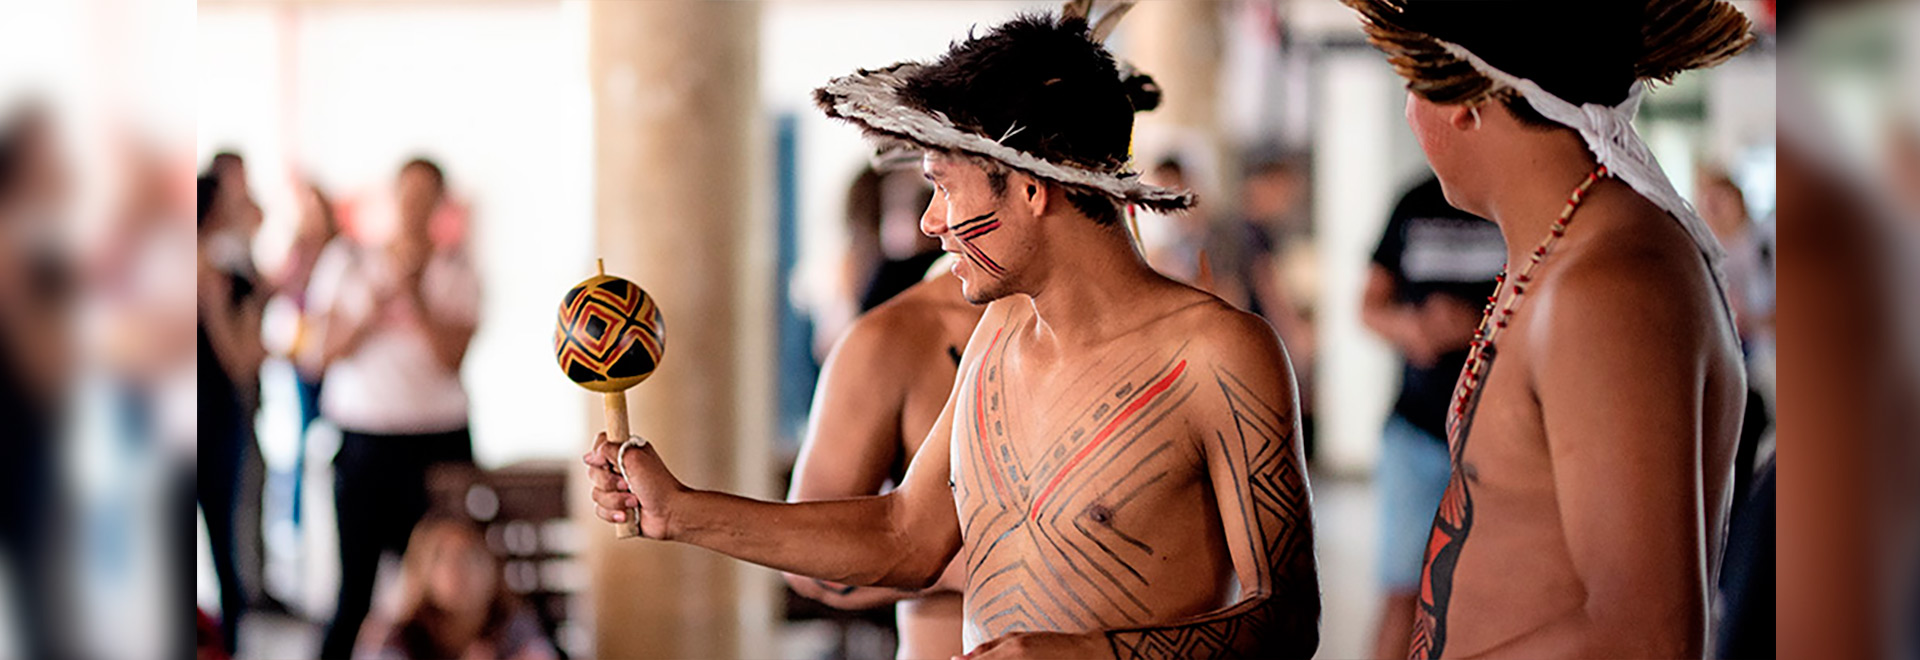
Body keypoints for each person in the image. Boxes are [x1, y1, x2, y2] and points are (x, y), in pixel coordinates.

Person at [585, 10, 1319, 657]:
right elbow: (905, 534)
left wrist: (1089, 655)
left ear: (1031, 188)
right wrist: (678, 510)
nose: (932, 222)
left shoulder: (1217, 354)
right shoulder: (999, 333)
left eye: (943, 184)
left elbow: (1288, 620)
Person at [1345, 0, 1754, 656]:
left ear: (1464, 98)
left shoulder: (1610, 287)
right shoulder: (1567, 257)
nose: (1407, 110)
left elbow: (1644, 635)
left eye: (1410, 85)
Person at [311, 158, 482, 659]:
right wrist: (372, 304)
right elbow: (321, 353)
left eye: (426, 196)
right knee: (355, 588)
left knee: (439, 586)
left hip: (438, 443)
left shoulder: (457, 267)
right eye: (408, 194)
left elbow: (452, 358)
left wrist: (416, 298)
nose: (414, 207)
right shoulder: (349, 262)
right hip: (366, 442)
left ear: (439, 204)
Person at [784, 267, 982, 660]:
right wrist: (958, 564)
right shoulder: (899, 337)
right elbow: (808, 567)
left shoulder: (1133, 320)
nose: (934, 222)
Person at [1357, 175, 1503, 660]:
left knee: (1489, 599)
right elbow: (1369, 306)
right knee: (1403, 590)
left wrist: (1476, 327)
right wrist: (1411, 327)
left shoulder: (1511, 199)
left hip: (1500, 438)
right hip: (1416, 430)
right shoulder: (1413, 201)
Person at [355, 517, 558, 660]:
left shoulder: (513, 624)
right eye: (443, 559)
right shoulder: (394, 636)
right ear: (422, 570)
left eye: (471, 558)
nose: (459, 571)